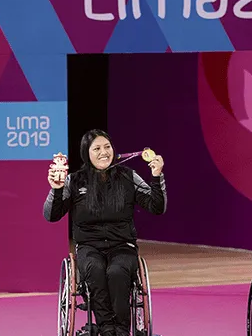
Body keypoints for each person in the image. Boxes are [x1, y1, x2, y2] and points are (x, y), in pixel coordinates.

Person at [43, 129, 167, 336]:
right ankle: (107, 329)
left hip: (122, 246)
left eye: (107, 147)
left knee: (117, 272)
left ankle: (120, 330)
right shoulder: (74, 181)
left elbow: (157, 207)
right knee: (96, 270)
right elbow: (52, 215)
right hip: (89, 247)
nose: (104, 152)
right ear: (86, 153)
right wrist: (56, 189)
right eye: (97, 148)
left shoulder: (128, 177)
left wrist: (157, 177)